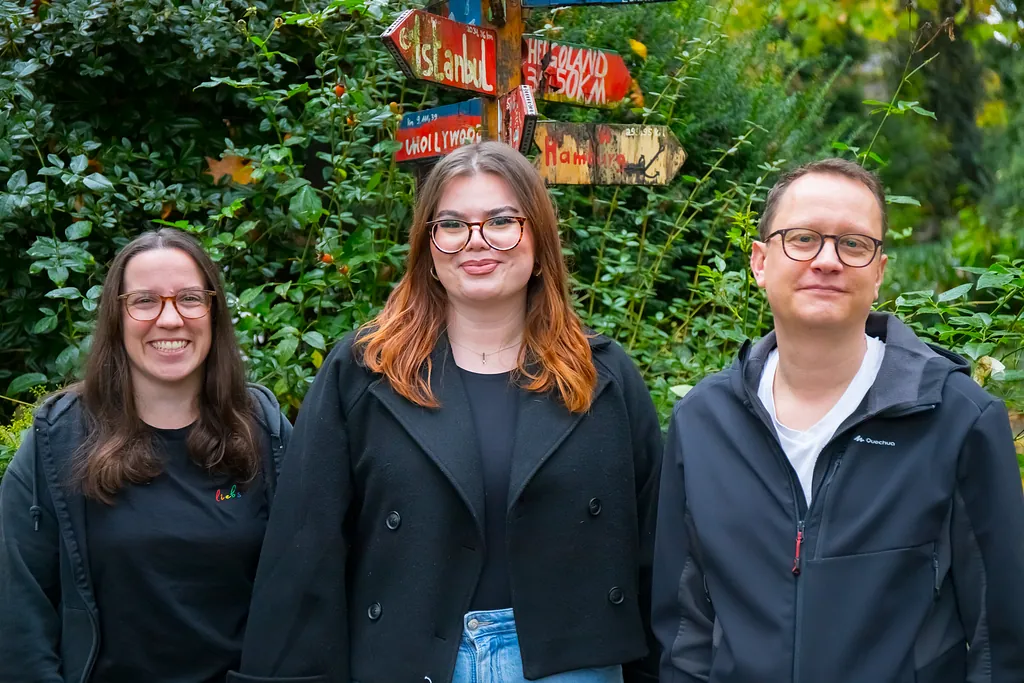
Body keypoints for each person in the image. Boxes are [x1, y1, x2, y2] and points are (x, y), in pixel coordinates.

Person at [230, 141, 662, 683]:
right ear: (429, 249)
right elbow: (305, 549)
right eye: (452, 224)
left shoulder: (603, 377)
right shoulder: (366, 373)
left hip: (572, 667)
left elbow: (655, 553)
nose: (477, 241)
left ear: (539, 242)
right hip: (409, 662)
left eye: (502, 220)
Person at [651, 158, 1024, 683]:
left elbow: (1000, 637)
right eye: (802, 238)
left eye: (853, 244)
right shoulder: (703, 422)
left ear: (879, 271)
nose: (827, 260)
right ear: (760, 261)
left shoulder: (957, 419)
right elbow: (683, 627)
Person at [0, 228, 292, 683]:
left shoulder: (264, 431)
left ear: (213, 312)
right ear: (117, 317)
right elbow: (20, 610)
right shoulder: (58, 439)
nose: (170, 319)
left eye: (190, 298)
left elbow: (305, 587)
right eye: (144, 301)